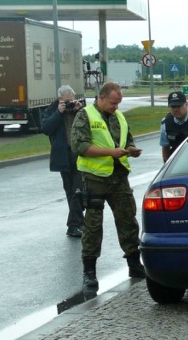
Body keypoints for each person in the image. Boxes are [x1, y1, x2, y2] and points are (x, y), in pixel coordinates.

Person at [71, 82, 145, 292]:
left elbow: (127, 139)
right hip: (95, 179)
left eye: (118, 103)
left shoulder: (119, 117)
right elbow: (80, 146)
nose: (116, 107)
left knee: (127, 219)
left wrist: (131, 149)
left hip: (118, 176)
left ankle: (134, 263)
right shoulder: (85, 115)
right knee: (93, 226)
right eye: (113, 103)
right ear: (101, 98)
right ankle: (89, 273)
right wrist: (110, 153)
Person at [41, 85, 85, 237]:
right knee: (71, 190)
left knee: (79, 190)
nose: (69, 104)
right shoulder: (51, 111)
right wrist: (59, 113)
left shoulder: (79, 110)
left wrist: (80, 109)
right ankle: (76, 224)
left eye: (71, 101)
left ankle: (75, 224)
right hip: (63, 156)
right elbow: (46, 128)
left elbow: (92, 124)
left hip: (80, 154)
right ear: (59, 100)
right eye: (66, 101)